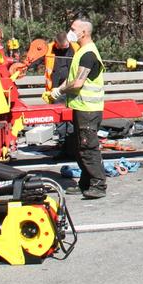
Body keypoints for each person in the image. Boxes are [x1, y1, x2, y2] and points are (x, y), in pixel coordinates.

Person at [48, 18, 106, 199]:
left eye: (73, 29)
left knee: (88, 148)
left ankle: (98, 185)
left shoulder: (88, 53)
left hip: (89, 109)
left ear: (84, 33)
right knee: (80, 148)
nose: (69, 32)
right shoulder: (80, 52)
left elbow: (78, 82)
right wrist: (55, 91)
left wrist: (60, 91)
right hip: (80, 108)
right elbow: (72, 77)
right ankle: (85, 183)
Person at [40, 32, 75, 150]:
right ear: (57, 43)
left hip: (71, 88)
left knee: (71, 116)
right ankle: (62, 142)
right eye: (61, 47)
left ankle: (71, 141)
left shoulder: (75, 47)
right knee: (59, 117)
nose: (64, 48)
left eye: (66, 46)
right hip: (55, 90)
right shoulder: (49, 49)